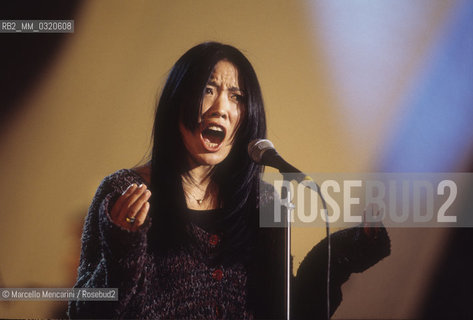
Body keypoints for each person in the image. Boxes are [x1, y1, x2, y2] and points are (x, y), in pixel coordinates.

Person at [68, 42, 390, 319]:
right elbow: (84, 312)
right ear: (178, 101)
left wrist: (345, 251)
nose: (222, 108)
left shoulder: (264, 203)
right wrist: (123, 249)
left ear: (247, 116)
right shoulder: (122, 191)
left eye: (236, 96)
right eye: (208, 90)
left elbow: (291, 310)